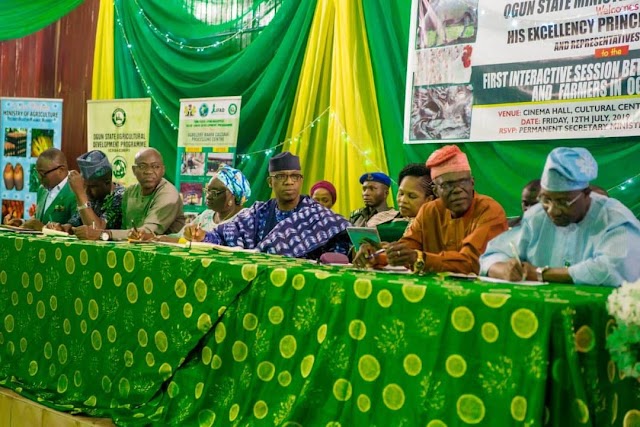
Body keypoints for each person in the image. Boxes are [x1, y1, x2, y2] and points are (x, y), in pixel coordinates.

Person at [480, 147, 640, 287]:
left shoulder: (614, 218)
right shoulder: (537, 217)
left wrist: (540, 274)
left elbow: (612, 268)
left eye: (563, 201)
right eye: (546, 199)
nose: (552, 210)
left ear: (586, 194)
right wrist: (503, 269)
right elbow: (491, 255)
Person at [358, 145, 508, 274]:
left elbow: (472, 262)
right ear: (436, 191)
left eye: (463, 182)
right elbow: (407, 248)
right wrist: (376, 256)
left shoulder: (489, 211)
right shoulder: (429, 211)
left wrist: (420, 259)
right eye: (447, 185)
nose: (457, 190)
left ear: (472, 183)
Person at [185, 152, 350, 259]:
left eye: (295, 176)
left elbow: (342, 247)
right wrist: (202, 236)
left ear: (301, 180)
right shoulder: (258, 213)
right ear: (270, 182)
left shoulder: (317, 215)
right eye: (281, 176)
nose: (289, 182)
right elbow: (221, 237)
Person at [86, 148, 185, 241]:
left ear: (163, 170)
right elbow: (126, 228)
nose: (149, 171)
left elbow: (146, 233)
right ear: (134, 170)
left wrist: (104, 234)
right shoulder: (130, 192)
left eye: (155, 166)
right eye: (142, 166)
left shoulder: (168, 194)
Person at [160, 166, 251, 241]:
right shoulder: (206, 215)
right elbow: (179, 236)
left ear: (232, 196)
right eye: (207, 191)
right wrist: (158, 238)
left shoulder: (246, 219)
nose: (208, 196)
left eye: (214, 192)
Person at [45, 150, 124, 236]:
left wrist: (80, 194)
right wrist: (62, 228)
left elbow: (96, 230)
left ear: (107, 183)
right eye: (85, 186)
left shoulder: (120, 196)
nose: (87, 191)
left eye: (92, 186)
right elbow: (74, 224)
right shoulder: (92, 196)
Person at [4, 148, 76, 230]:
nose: (39, 178)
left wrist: (42, 228)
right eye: (37, 172)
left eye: (42, 174)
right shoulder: (42, 189)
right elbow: (39, 219)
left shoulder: (76, 190)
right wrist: (21, 223)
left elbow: (76, 230)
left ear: (61, 170)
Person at [375, 164, 435, 242]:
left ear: (429, 199)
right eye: (401, 193)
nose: (403, 200)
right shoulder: (383, 218)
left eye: (412, 196)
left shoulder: (434, 228)